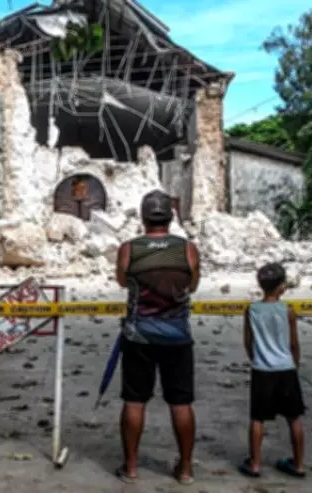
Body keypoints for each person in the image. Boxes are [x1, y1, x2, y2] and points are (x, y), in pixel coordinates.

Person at [114, 189, 201, 485]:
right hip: (178, 337)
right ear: (172, 216)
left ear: (142, 216)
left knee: (135, 401)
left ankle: (131, 468)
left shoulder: (129, 249)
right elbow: (193, 285)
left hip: (138, 336)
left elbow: (123, 281)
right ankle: (186, 469)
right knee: (181, 403)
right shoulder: (187, 249)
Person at [238, 262, 306, 479]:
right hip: (286, 368)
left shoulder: (252, 310)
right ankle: (298, 464)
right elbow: (294, 343)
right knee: (294, 418)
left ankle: (255, 463)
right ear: (281, 288)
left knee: (257, 418)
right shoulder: (288, 311)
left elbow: (248, 342)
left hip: (262, 370)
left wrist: (256, 358)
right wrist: (294, 363)